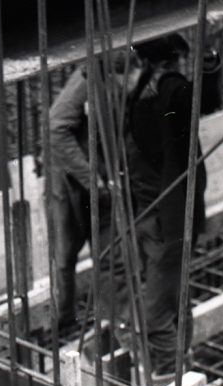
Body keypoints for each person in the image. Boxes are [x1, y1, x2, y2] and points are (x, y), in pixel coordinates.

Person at [124, 32, 222, 380]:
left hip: (168, 221)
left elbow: (204, 101)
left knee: (156, 318)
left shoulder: (170, 88)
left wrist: (209, 56)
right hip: (151, 218)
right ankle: (184, 370)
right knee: (173, 303)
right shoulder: (145, 89)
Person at [48, 49, 142, 331]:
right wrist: (90, 178)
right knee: (64, 255)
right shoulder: (84, 81)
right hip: (70, 182)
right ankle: (63, 319)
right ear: (113, 76)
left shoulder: (126, 76)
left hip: (102, 182)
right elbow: (56, 129)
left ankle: (113, 320)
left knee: (110, 255)